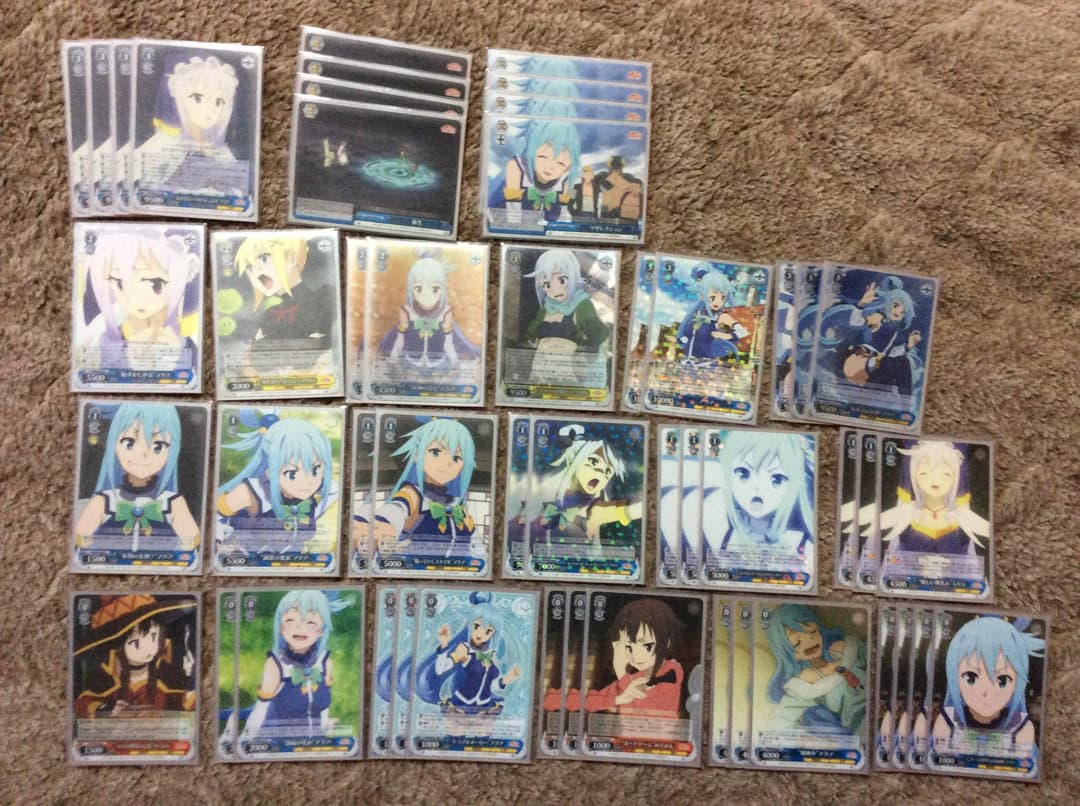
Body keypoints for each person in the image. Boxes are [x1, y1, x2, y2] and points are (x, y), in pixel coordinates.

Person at [74, 402, 199, 553]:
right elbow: (82, 538)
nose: (143, 453)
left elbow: (191, 541)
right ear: (114, 445)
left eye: (158, 446)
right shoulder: (104, 500)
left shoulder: (172, 502)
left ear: (172, 452)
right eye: (129, 442)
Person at [762, 604, 867, 735]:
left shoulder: (844, 649)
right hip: (862, 731)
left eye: (812, 632)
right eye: (797, 642)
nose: (810, 641)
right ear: (789, 653)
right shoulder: (806, 682)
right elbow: (780, 722)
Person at [584, 598, 685, 718]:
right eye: (628, 647)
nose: (636, 656)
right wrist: (616, 699)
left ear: (667, 642)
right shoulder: (633, 679)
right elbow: (586, 702)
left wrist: (621, 673)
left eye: (647, 646)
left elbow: (650, 713)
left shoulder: (672, 671)